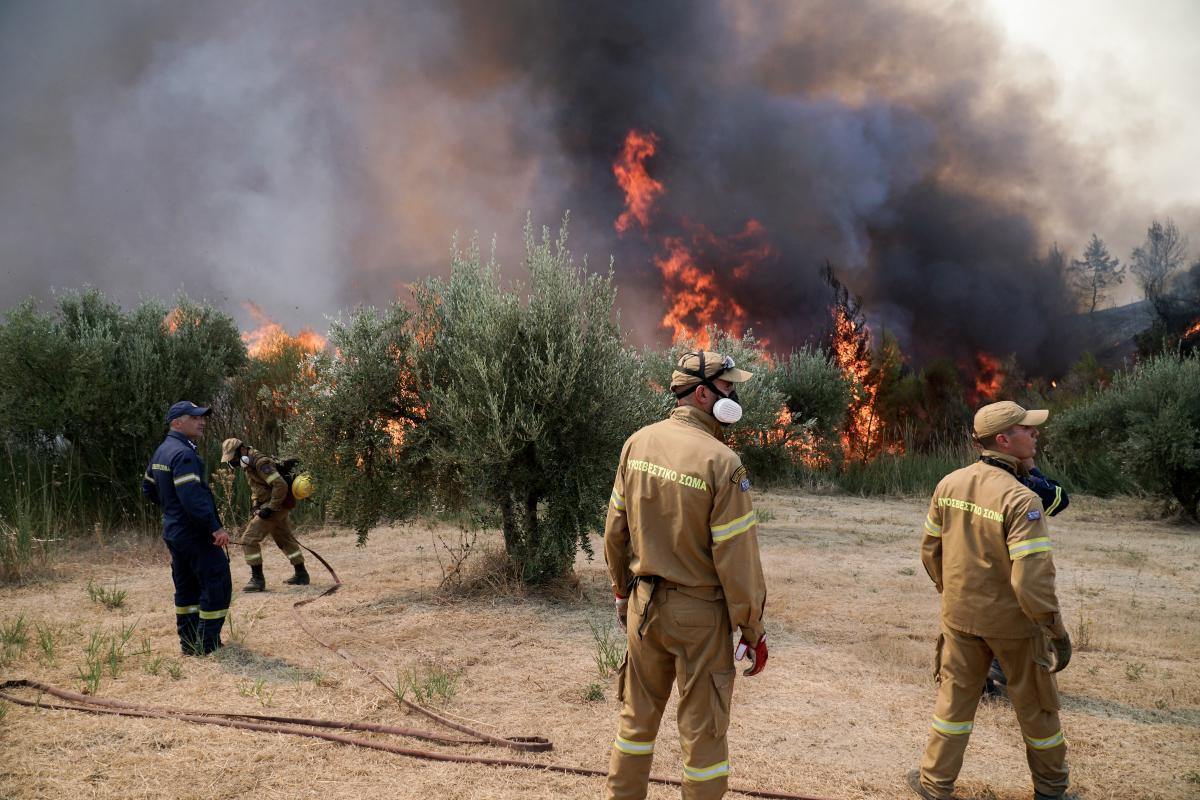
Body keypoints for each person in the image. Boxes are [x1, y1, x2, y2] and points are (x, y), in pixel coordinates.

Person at [604, 351, 768, 800]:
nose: (733, 395)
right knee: (704, 740)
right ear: (702, 393)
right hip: (699, 617)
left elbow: (615, 533)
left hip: (643, 607)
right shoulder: (723, 462)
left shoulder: (636, 444)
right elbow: (738, 561)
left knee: (635, 725)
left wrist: (622, 592)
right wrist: (751, 628)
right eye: (728, 387)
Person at [908, 401, 1073, 800]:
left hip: (959, 620)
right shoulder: (1022, 501)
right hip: (1013, 626)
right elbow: (1032, 582)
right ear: (1003, 439)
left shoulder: (948, 483)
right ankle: (1051, 790)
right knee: (1037, 710)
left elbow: (931, 551)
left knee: (953, 706)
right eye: (1027, 429)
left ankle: (934, 783)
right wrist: (1055, 630)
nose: (1035, 434)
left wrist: (954, 595)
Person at [141, 401, 232, 656]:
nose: (201, 421)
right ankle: (207, 644)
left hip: (175, 532)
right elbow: (193, 498)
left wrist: (172, 510)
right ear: (176, 423)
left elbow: (148, 488)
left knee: (187, 587)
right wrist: (215, 528)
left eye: (202, 417)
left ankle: (189, 644)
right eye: (194, 417)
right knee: (217, 583)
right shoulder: (184, 454)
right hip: (195, 534)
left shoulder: (162, 451)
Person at [984, 451, 1071, 699]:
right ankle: (1003, 669)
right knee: (1018, 615)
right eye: (1026, 431)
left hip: (980, 567)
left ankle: (983, 676)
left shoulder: (973, 478)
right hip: (1011, 564)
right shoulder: (1020, 487)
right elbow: (1058, 499)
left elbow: (1058, 501)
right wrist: (1031, 469)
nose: (1034, 435)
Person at [220, 438, 308, 591]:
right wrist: (255, 505)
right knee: (285, 539)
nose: (232, 462)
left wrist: (270, 508)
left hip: (275, 506)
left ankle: (257, 580)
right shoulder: (249, 464)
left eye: (233, 458)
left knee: (248, 539)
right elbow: (257, 489)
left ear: (242, 450)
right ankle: (301, 574)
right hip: (272, 505)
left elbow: (280, 485)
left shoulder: (260, 463)